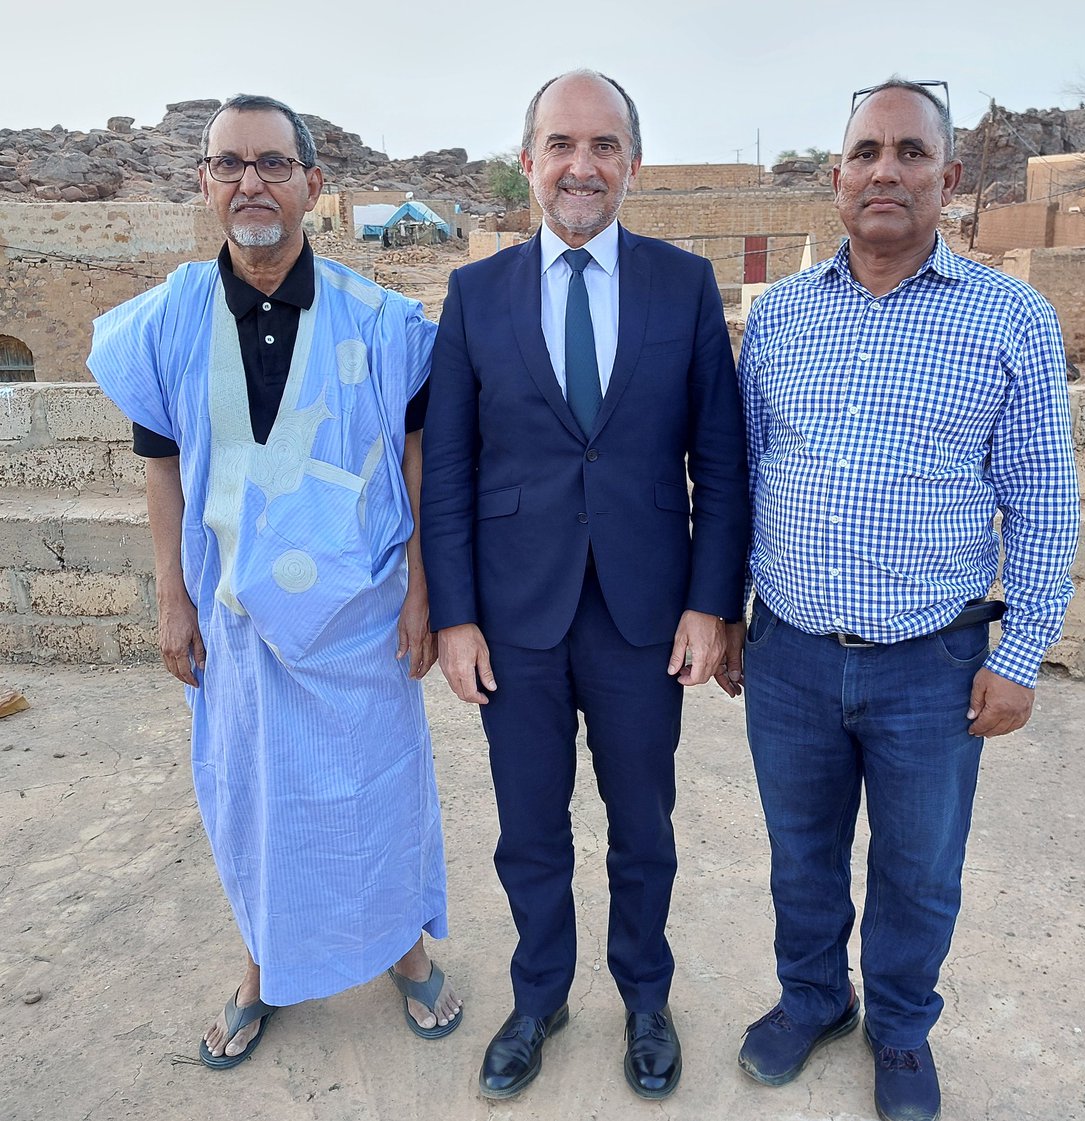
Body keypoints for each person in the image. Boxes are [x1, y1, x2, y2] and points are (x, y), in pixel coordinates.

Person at [86, 93, 461, 1070]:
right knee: (253, 795)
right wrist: (171, 596)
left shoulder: (381, 323)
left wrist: (425, 589)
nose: (251, 181)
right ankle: (264, 966)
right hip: (237, 619)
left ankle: (404, 952)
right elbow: (162, 465)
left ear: (313, 185)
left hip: (362, 618)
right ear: (206, 184)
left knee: (373, 791)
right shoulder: (167, 321)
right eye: (229, 165)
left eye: (272, 163)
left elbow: (420, 455)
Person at [730, 78, 1079, 1121]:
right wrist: (728, 611)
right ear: (835, 176)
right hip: (789, 650)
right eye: (867, 152)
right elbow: (743, 478)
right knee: (802, 853)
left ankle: (899, 1026)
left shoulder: (1012, 317)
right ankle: (809, 999)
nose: (887, 170)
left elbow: (1046, 503)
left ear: (951, 178)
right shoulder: (781, 316)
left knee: (920, 867)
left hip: (933, 660)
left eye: (911, 153)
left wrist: (1020, 656)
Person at [420, 70, 749, 1100]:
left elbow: (723, 461)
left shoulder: (682, 286)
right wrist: (457, 615)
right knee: (529, 825)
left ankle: (645, 997)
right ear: (528, 162)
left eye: (605, 145)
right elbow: (452, 469)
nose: (582, 165)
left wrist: (710, 601)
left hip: (644, 614)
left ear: (633, 164)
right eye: (561, 144)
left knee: (642, 822)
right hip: (514, 616)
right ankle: (539, 993)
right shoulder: (475, 295)